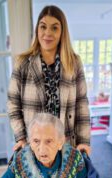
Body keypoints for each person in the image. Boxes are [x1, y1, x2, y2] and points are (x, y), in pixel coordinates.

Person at [8, 5, 91, 156]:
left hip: (65, 145)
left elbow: (82, 104)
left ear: (62, 33)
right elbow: (13, 104)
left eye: (54, 28)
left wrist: (83, 140)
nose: (47, 33)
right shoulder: (23, 63)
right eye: (43, 27)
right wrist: (20, 137)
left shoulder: (74, 62)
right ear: (37, 30)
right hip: (34, 146)